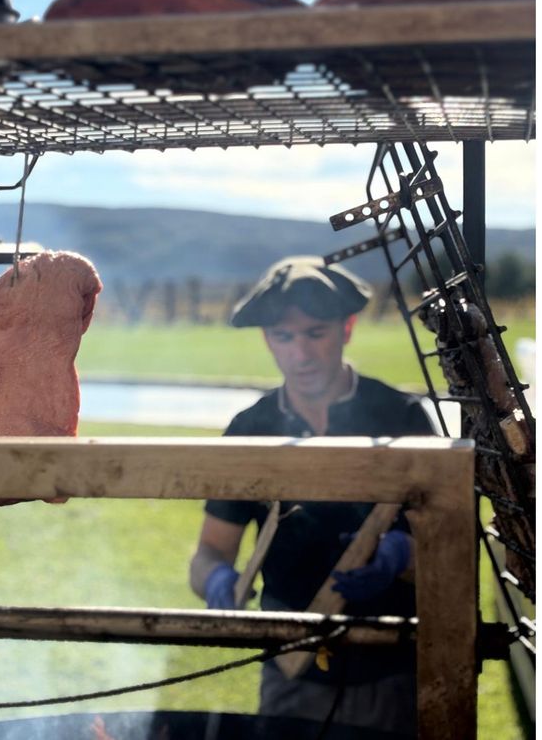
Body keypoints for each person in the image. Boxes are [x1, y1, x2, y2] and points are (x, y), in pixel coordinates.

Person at [187, 255, 438, 737]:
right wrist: (216, 579)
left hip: (393, 665)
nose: (300, 353)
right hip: (290, 666)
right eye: (283, 337)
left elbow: (451, 550)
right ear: (267, 339)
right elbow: (209, 552)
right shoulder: (250, 429)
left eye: (315, 333)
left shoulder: (402, 416)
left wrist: (403, 554)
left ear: (347, 328)